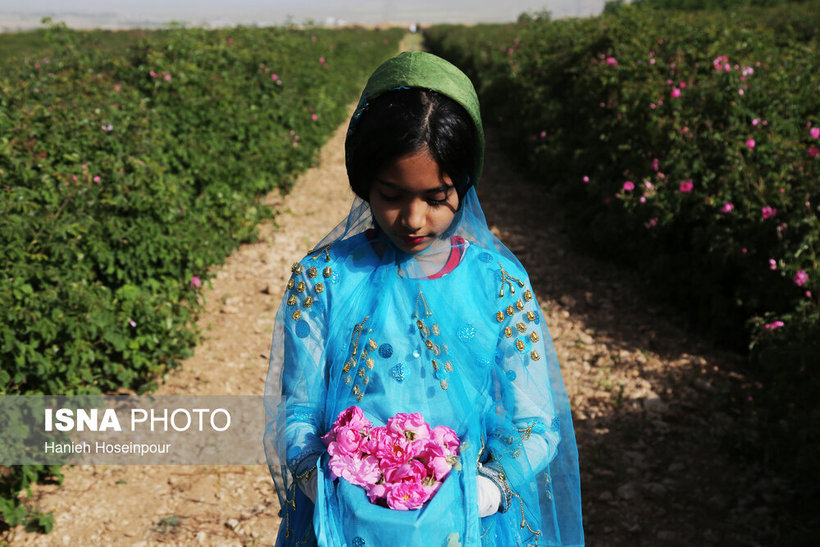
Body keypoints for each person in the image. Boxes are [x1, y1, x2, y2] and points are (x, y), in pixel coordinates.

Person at [264, 51, 584, 546]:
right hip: (346, 526)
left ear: (466, 184)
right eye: (392, 195)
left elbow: (536, 424)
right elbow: (298, 413)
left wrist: (481, 492)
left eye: (437, 198)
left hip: (465, 527)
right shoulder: (323, 280)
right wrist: (327, 487)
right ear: (363, 181)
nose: (413, 219)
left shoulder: (499, 284)